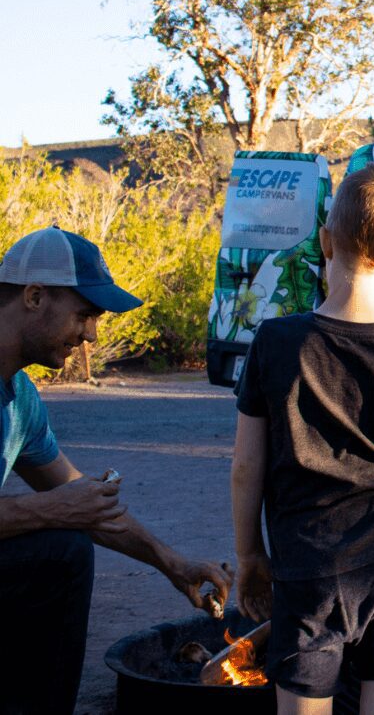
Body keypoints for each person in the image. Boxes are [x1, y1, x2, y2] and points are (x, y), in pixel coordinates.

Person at [231, 162, 374, 715]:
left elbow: (245, 467)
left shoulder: (276, 341)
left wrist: (250, 553)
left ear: (326, 241)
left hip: (308, 566)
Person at [0, 226, 233, 715]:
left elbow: (82, 501)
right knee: (60, 548)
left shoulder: (20, 397)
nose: (91, 336)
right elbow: (61, 507)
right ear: (35, 296)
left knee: (63, 543)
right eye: (84, 315)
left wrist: (172, 563)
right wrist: (49, 510)